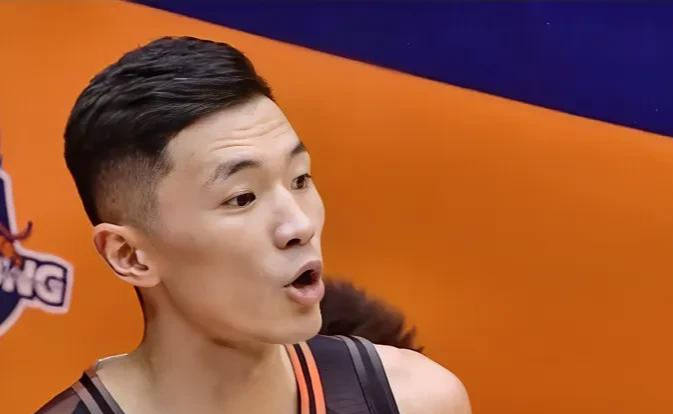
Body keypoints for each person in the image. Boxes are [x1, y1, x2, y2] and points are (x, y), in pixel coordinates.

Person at [36, 36, 471, 414]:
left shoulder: (413, 400)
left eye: (300, 179)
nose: (299, 224)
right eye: (242, 198)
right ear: (129, 255)